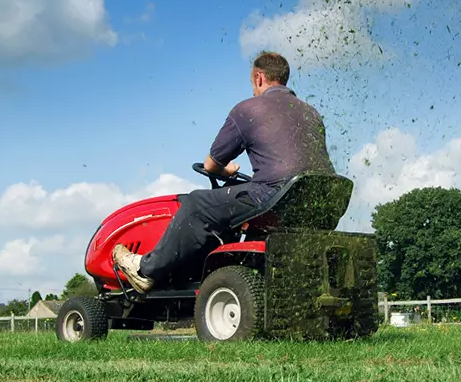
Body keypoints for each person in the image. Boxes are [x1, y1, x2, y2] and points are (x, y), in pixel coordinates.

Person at [111, 51, 335, 293]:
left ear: (259, 78)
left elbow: (211, 165)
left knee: (197, 203)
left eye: (252, 84)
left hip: (275, 196)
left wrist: (226, 170)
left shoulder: (249, 109)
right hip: (319, 200)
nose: (253, 90)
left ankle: (147, 269)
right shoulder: (311, 112)